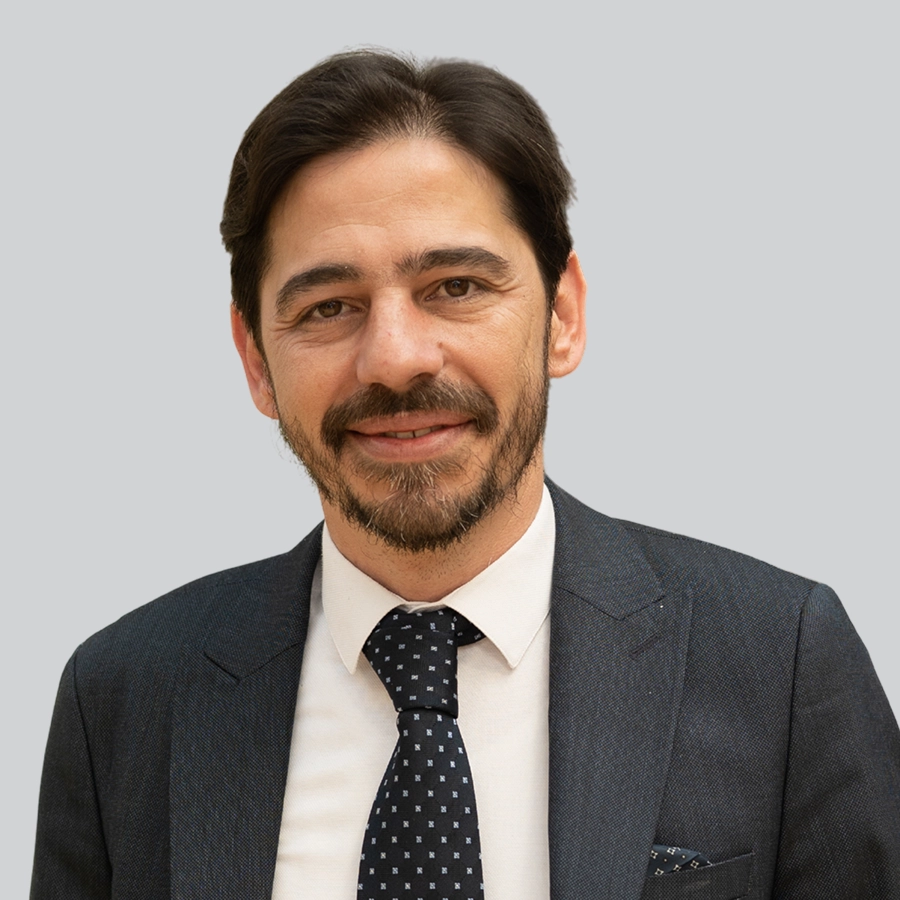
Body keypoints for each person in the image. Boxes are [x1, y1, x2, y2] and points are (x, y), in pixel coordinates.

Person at [31, 49, 900, 900]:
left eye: (455, 287)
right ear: (256, 359)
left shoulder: (781, 664)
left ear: (562, 316)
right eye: (329, 307)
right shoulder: (123, 699)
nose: (395, 358)